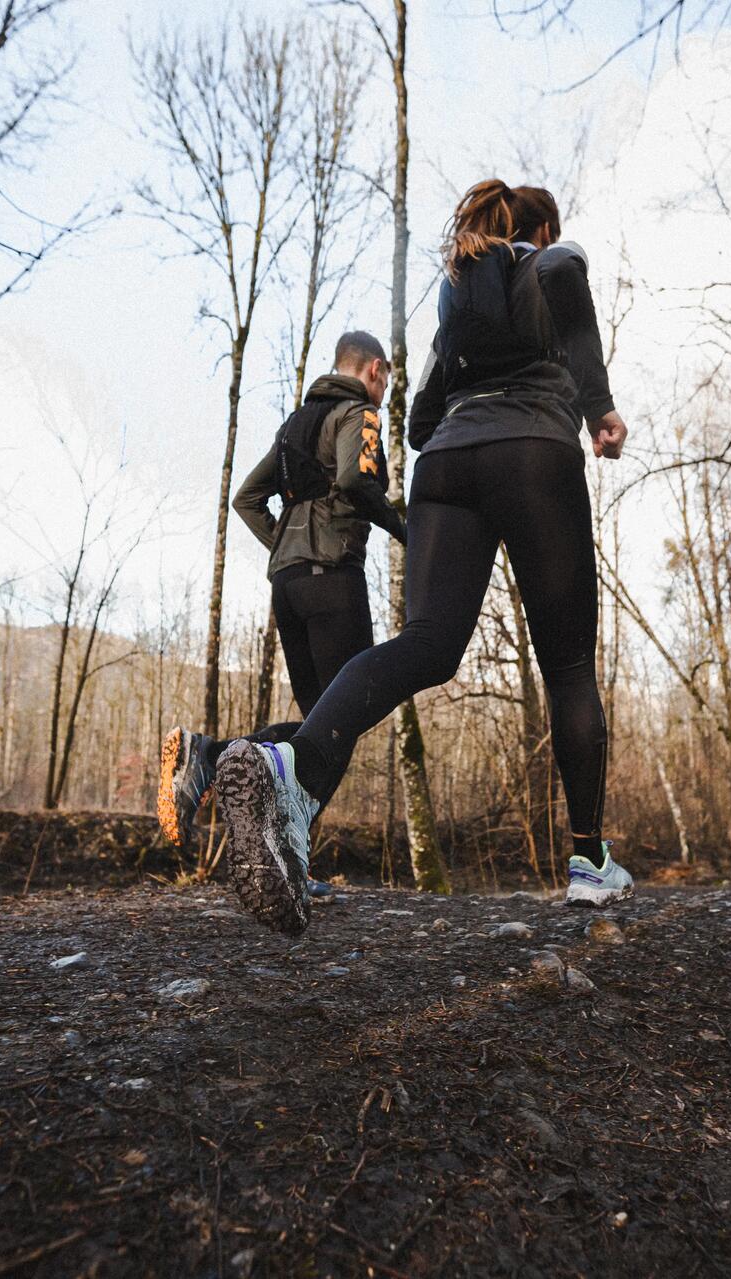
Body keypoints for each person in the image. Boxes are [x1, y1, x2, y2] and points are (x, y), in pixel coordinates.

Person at [213, 179, 633, 935]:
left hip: (447, 468)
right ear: (537, 228)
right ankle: (589, 863)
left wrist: (470, 404)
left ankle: (294, 770)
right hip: (535, 454)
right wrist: (595, 404)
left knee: (425, 645)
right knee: (567, 665)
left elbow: (417, 421)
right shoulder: (547, 258)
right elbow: (566, 274)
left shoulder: (456, 300)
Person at [157, 331, 406, 879]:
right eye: (385, 377)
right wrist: (404, 529)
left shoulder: (295, 424)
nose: (385, 388)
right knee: (351, 712)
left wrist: (286, 546)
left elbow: (246, 497)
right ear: (373, 370)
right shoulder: (358, 414)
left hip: (288, 588)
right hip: (333, 581)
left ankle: (283, 852)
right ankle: (211, 755)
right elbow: (354, 479)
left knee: (322, 726)